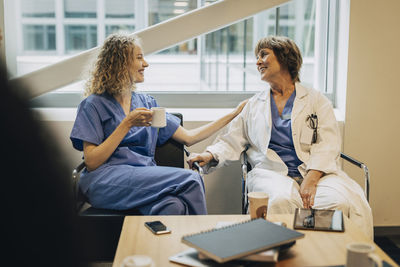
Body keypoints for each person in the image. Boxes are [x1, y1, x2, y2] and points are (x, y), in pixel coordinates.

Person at [188, 36, 373, 238]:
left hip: (316, 173)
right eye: (257, 57)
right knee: (280, 201)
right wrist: (210, 154)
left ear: (285, 58)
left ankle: (331, 254)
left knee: (339, 203)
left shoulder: (316, 100)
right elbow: (232, 139)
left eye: (263, 54)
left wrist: (311, 179)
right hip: (271, 173)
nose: (258, 62)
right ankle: (281, 254)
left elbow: (328, 143)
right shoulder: (254, 104)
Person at [70, 33, 247, 215]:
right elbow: (92, 162)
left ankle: (151, 244)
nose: (145, 64)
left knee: (173, 206)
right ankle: (201, 239)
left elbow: (189, 137)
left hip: (144, 180)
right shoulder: (92, 105)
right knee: (192, 179)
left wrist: (234, 114)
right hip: (105, 181)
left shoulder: (147, 104)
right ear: (120, 63)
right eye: (139, 58)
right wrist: (127, 124)